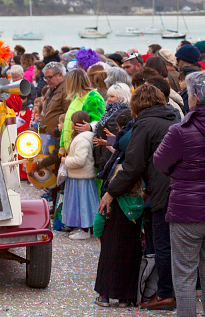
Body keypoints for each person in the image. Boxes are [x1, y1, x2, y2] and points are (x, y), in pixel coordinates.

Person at [99, 83, 178, 311]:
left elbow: (133, 165)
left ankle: (165, 294)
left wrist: (111, 193)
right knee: (177, 245)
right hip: (178, 186)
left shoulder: (145, 123)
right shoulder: (172, 118)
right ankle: (179, 291)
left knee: (162, 244)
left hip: (162, 191)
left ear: (137, 104)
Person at [154, 70, 205, 316]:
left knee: (184, 275)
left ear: (194, 98)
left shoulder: (181, 131)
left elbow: (160, 164)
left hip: (187, 211)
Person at [93, 108, 143, 308]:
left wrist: (97, 232)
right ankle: (125, 297)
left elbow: (99, 219)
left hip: (113, 225)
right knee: (131, 255)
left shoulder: (109, 199)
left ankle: (104, 295)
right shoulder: (138, 204)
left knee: (108, 256)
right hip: (131, 226)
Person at [61, 111, 100, 240]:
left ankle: (85, 229)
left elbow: (79, 160)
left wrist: (65, 161)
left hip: (81, 177)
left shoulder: (82, 139)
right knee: (84, 203)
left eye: (71, 121)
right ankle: (84, 228)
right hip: (80, 176)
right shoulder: (85, 137)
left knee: (82, 204)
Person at [60, 69, 106, 156]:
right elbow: (67, 121)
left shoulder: (93, 97)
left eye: (68, 82)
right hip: (72, 149)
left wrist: (90, 127)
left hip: (83, 151)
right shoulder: (76, 96)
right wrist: (62, 145)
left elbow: (101, 121)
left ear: (74, 83)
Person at [92, 83, 130, 174]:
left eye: (112, 96)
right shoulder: (111, 111)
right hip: (106, 157)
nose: (108, 99)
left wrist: (104, 161)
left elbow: (112, 140)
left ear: (121, 97)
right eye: (108, 96)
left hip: (109, 159)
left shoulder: (119, 114)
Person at [39, 62, 71, 138]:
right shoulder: (49, 90)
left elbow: (68, 114)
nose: (47, 80)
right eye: (45, 78)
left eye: (49, 77)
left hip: (58, 136)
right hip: (46, 136)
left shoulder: (66, 90)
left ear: (60, 75)